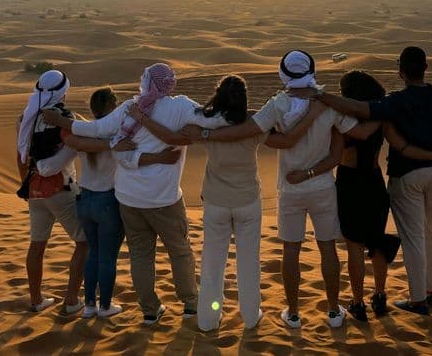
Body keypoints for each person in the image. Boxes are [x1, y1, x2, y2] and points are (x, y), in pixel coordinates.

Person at [183, 51, 382, 329]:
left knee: (291, 249)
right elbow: (360, 133)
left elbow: (249, 130)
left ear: (283, 73)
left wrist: (206, 135)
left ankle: (293, 312)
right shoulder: (327, 103)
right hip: (322, 186)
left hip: (289, 187)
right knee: (327, 248)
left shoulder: (278, 105)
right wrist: (386, 112)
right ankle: (334, 311)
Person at [130, 75, 326, 332]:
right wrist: (311, 116)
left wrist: (141, 118)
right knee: (248, 261)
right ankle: (250, 315)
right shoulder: (255, 124)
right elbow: (286, 141)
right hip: (246, 200)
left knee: (212, 262)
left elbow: (174, 135)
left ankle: (209, 319)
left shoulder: (206, 122)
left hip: (216, 201)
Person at [42, 63, 229, 325]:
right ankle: (190, 304)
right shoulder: (180, 107)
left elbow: (95, 129)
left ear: (147, 82)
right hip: (164, 201)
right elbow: (215, 119)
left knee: (141, 255)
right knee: (180, 252)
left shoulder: (130, 109)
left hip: (129, 200)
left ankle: (150, 311)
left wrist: (63, 122)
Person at [290, 47, 432, 316]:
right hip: (375, 179)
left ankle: (358, 302)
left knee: (355, 245)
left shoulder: (341, 123)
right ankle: (380, 295)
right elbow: (399, 144)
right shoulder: (382, 119)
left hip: (350, 183)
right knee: (379, 240)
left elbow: (331, 154)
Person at [59, 87, 184, 319]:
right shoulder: (118, 133)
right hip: (107, 200)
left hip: (84, 199)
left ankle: (88, 306)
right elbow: (132, 156)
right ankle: (105, 306)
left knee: (93, 253)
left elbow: (77, 139)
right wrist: (160, 157)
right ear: (114, 107)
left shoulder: (87, 132)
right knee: (107, 257)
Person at [15, 69, 86, 315]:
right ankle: (71, 301)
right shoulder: (63, 117)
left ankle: (36, 300)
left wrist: (27, 183)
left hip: (34, 190)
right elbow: (81, 140)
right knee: (84, 242)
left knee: (37, 245)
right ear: (64, 91)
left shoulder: (25, 118)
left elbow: (20, 155)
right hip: (60, 189)